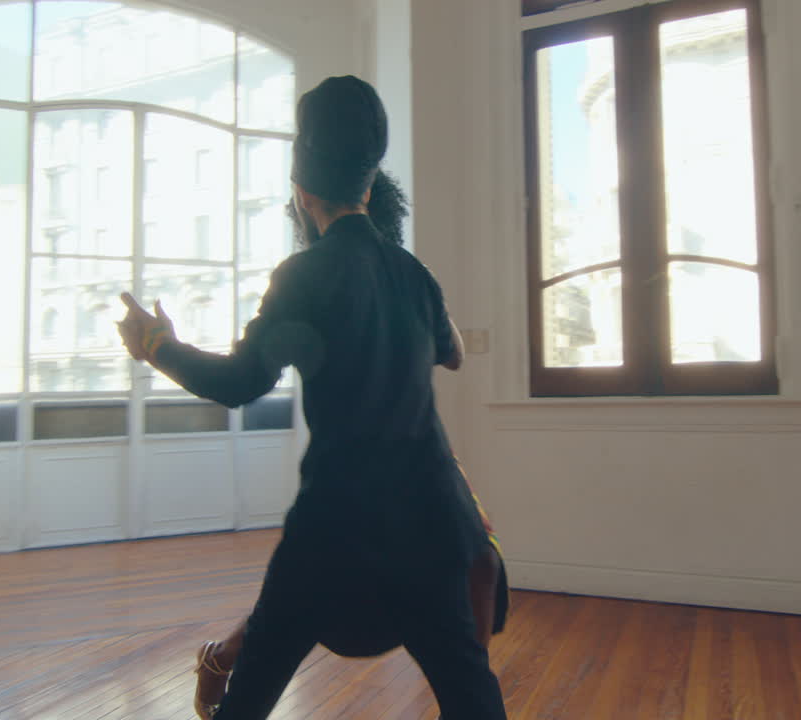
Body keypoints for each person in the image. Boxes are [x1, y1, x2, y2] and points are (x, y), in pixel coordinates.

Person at [117, 75, 509, 720]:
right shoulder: (413, 273)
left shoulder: (302, 276)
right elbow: (455, 354)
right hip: (434, 519)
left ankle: (217, 665)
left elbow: (241, 383)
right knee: (473, 700)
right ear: (369, 187)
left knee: (248, 700)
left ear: (301, 195)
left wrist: (157, 344)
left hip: (337, 525)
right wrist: (416, 302)